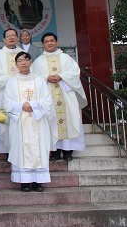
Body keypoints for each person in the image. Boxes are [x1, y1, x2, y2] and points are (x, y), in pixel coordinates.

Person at [4, 52, 56, 192]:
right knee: (21, 148)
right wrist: (21, 105)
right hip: (19, 120)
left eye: (26, 59)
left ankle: (38, 182)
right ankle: (24, 182)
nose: (23, 63)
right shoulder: (12, 81)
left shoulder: (39, 80)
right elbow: (7, 101)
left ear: (30, 62)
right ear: (16, 65)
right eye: (20, 61)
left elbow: (47, 100)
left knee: (39, 147)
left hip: (37, 120)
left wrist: (33, 105)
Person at [31, 32, 87, 161]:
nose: (50, 43)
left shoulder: (66, 58)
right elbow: (33, 76)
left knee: (69, 119)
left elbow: (75, 72)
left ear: (56, 42)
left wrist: (61, 76)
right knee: (50, 122)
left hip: (65, 95)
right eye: (47, 41)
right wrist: (46, 77)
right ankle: (54, 152)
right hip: (48, 97)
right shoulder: (38, 61)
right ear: (42, 44)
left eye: (52, 40)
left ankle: (68, 152)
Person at [0, 28, 23, 153]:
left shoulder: (23, 53)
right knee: (6, 121)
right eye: (8, 36)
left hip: (22, 92)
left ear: (17, 38)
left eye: (13, 35)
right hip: (4, 92)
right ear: (4, 39)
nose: (11, 38)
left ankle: (20, 149)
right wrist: (13, 79)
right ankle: (8, 151)